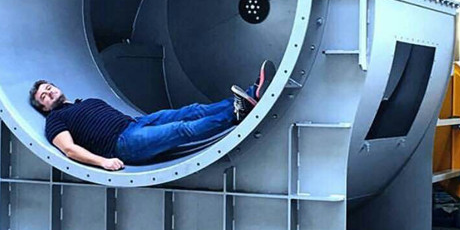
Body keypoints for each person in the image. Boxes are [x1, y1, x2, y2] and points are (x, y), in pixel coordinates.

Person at [29, 60, 276, 170]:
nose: (49, 92)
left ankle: (250, 95)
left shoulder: (81, 103)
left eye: (48, 88)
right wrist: (102, 162)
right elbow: (69, 150)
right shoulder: (54, 120)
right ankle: (236, 114)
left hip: (135, 124)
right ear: (44, 108)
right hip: (123, 144)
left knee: (192, 110)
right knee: (182, 129)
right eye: (43, 96)